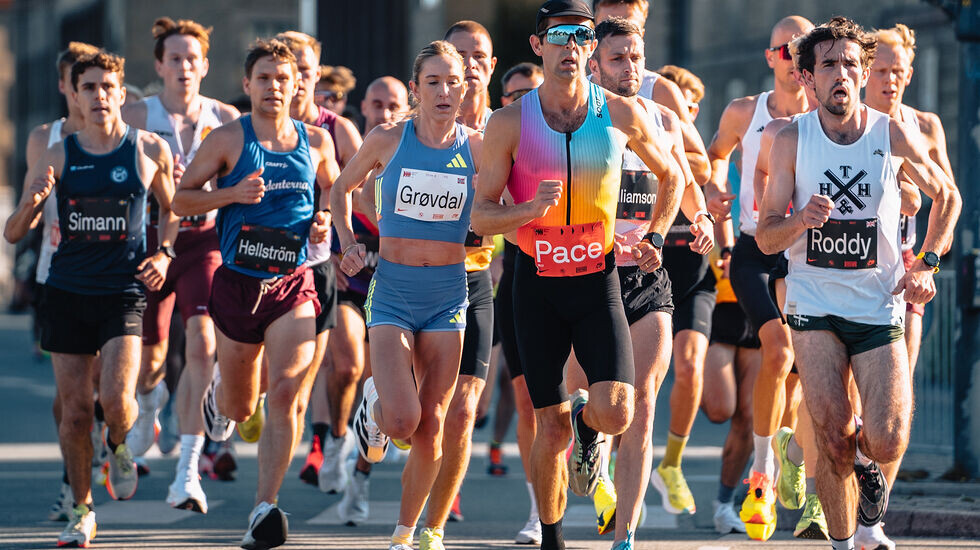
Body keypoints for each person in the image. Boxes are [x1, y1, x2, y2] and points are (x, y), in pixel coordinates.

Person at [472, 1, 686, 548]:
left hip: (597, 281)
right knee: (549, 425)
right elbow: (480, 214)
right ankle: (551, 536)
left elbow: (672, 178)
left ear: (591, 48)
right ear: (537, 45)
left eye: (581, 36)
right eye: (559, 35)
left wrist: (656, 236)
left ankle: (589, 430)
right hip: (536, 285)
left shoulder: (621, 114)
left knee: (618, 412)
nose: (570, 45)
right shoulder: (508, 123)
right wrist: (527, 211)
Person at [757, 16, 960, 550]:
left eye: (851, 63)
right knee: (834, 437)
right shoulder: (790, 139)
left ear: (864, 72)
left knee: (888, 438)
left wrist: (927, 264)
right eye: (829, 64)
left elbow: (948, 196)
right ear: (808, 77)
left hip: (878, 304)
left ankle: (868, 470)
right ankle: (845, 542)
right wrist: (799, 221)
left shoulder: (890, 132)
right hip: (814, 306)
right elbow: (767, 238)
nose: (841, 73)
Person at [5, 50, 180, 548]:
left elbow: (173, 210)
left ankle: (119, 444)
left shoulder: (149, 149)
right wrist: (33, 204)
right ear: (75, 96)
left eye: (108, 87)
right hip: (66, 291)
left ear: (122, 94)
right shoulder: (58, 154)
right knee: (77, 411)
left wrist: (165, 253)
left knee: (118, 402)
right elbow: (13, 232)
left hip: (122, 292)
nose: (99, 96)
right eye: (89, 87)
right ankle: (82, 510)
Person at [173, 38, 338, 550]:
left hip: (292, 283)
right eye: (263, 78)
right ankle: (221, 395)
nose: (274, 87)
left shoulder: (316, 142)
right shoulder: (227, 138)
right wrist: (231, 194)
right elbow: (181, 200)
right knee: (242, 409)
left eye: (283, 78)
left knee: (287, 393)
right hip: (238, 284)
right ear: (247, 84)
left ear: (297, 84)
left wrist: (323, 220)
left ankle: (264, 507)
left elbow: (333, 189)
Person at [331, 40, 482, 550]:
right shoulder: (388, 139)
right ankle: (373, 403)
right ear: (416, 89)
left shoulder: (478, 147)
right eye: (433, 82)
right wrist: (349, 244)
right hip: (394, 289)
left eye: (453, 82)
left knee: (433, 424)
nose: (444, 92)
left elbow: (501, 202)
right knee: (402, 420)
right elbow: (340, 189)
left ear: (465, 88)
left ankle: (405, 535)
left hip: (448, 293)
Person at [589, 17, 714, 546]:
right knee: (588, 401)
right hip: (587, 272)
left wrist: (701, 217)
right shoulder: (578, 117)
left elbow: (681, 177)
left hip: (646, 270)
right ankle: (587, 445)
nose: (629, 68)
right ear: (594, 65)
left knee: (642, 405)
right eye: (617, 58)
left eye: (636, 57)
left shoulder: (663, 117)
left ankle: (625, 537)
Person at [120, 17, 240, 513]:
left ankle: (188, 471)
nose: (184, 67)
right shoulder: (135, 115)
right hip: (149, 245)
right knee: (149, 363)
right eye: (175, 59)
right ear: (159, 66)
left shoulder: (226, 117)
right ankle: (150, 402)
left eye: (192, 59)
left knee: (203, 344)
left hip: (204, 244)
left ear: (205, 65)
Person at [702, 14, 814, 541]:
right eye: (784, 49)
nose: (793, 57)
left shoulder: (824, 118)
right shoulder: (745, 111)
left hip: (806, 253)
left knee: (793, 375)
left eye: (803, 48)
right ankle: (763, 473)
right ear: (770, 57)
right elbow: (712, 157)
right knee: (778, 351)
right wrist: (712, 194)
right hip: (753, 249)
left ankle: (781, 457)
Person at [853, 22, 955, 549]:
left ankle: (872, 518)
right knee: (844, 403)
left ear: (910, 74)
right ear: (863, 72)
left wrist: (928, 264)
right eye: (881, 69)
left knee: (898, 395)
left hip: (904, 273)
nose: (890, 79)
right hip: (848, 273)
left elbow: (947, 200)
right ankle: (822, 466)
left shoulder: (925, 126)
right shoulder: (843, 122)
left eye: (899, 71)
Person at [406, 19, 499, 534]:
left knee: (461, 413)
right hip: (413, 280)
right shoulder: (409, 128)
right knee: (417, 417)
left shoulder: (507, 128)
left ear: (489, 66)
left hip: (473, 280)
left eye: (478, 56)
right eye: (459, 56)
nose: (469, 65)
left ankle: (433, 529)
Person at [7, 40, 101, 525]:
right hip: (57, 273)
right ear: (66, 85)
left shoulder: (125, 135)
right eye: (75, 82)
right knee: (70, 397)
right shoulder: (46, 138)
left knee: (108, 384)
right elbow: (30, 208)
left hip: (114, 275)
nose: (87, 93)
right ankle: (73, 477)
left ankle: (113, 434)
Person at [276, 29, 365, 497]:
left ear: (316, 72)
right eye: (289, 71)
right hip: (261, 264)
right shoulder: (249, 129)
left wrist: (340, 236)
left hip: (322, 261)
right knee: (269, 379)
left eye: (306, 70)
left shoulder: (337, 130)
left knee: (339, 366)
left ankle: (333, 440)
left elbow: (363, 194)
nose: (297, 81)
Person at [489, 59, 545, 545]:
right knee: (528, 402)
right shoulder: (500, 138)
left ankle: (599, 467)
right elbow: (484, 213)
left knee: (590, 400)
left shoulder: (576, 133)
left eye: (533, 93)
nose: (525, 102)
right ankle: (538, 510)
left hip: (584, 278)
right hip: (519, 278)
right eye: (515, 96)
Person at [591, 0, 711, 185]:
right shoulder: (578, 90)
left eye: (627, 22)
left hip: (649, 201)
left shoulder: (659, 90)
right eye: (607, 24)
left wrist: (646, 149)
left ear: (641, 33)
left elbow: (702, 168)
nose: (617, 29)